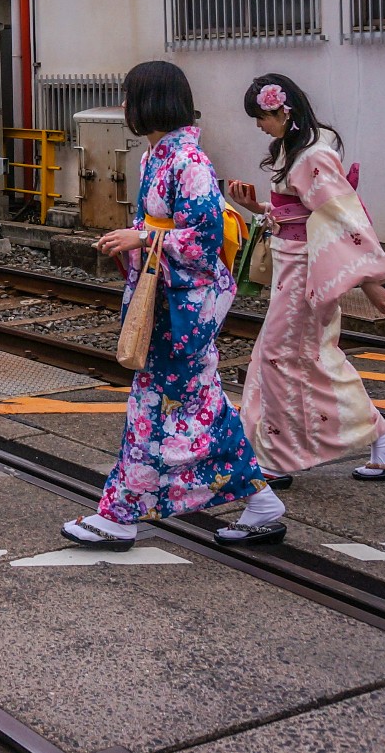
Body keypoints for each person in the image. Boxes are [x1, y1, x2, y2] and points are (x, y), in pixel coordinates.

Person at [61, 60, 282, 549]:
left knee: (152, 406)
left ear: (149, 103)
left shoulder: (187, 161)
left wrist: (139, 237)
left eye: (129, 96)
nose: (123, 106)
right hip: (171, 301)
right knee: (201, 404)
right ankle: (261, 500)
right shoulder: (158, 156)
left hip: (183, 307)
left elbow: (203, 239)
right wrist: (138, 239)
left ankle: (119, 512)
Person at [227, 74, 385, 494]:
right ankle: (380, 441)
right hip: (293, 266)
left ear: (283, 110)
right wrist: (255, 207)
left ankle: (273, 458)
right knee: (289, 356)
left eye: (261, 117)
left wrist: (369, 280)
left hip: (302, 272)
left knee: (286, 356)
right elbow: (304, 214)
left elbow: (342, 216)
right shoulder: (299, 151)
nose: (259, 125)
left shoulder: (312, 155)